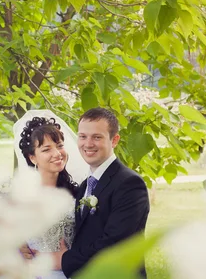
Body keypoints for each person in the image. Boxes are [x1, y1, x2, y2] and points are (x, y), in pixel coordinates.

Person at [50, 107, 151, 278]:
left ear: (114, 140)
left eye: (97, 137)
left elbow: (114, 243)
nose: (88, 144)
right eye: (83, 136)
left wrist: (64, 260)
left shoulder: (130, 184)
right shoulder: (84, 186)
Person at [9, 112, 85, 279]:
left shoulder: (78, 192)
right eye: (46, 149)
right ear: (32, 158)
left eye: (59, 145)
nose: (57, 153)